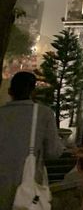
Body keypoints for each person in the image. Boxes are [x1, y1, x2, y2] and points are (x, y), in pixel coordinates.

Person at [0, 71, 64, 209]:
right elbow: (53, 152)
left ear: (10, 91)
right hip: (28, 189)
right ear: (33, 91)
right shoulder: (44, 114)